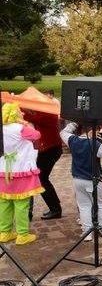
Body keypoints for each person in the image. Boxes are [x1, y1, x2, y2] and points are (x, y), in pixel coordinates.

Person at [60, 122, 102, 241]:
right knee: (100, 205)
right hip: (93, 179)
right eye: (97, 131)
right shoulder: (94, 144)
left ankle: (87, 233)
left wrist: (75, 122)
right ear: (92, 131)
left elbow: (63, 132)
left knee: (84, 206)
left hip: (78, 179)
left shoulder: (73, 141)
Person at [0, 103, 43, 245]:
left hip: (3, 171)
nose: (22, 114)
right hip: (20, 171)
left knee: (4, 203)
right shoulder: (21, 129)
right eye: (19, 111)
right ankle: (22, 234)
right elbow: (37, 135)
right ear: (14, 114)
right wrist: (24, 123)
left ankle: (5, 232)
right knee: (21, 204)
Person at [21, 108, 63, 220]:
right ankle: (55, 207)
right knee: (42, 178)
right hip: (50, 148)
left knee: (41, 179)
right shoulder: (46, 112)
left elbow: (29, 117)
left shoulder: (46, 113)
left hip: (50, 149)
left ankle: (55, 209)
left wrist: (19, 106)